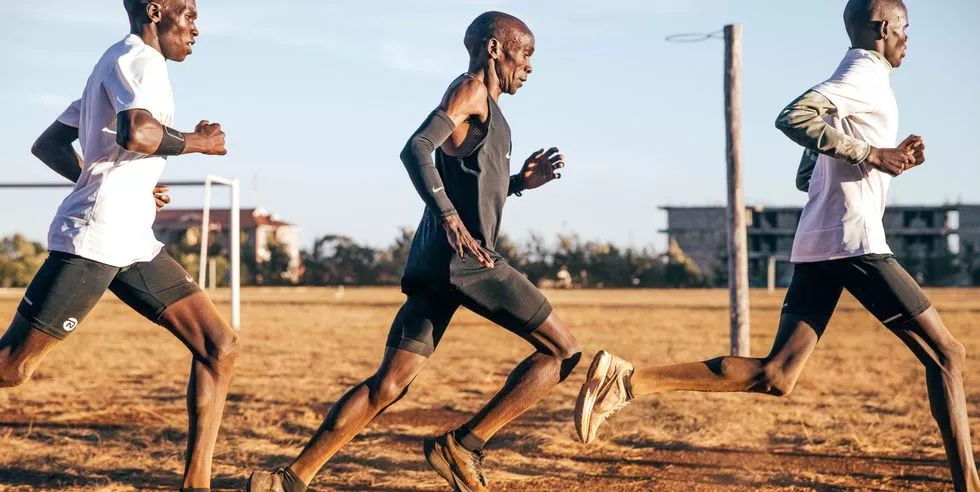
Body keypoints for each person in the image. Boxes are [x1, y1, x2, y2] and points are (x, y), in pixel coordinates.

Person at [575, 1, 980, 490]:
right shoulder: (865, 71)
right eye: (905, 29)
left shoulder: (855, 78)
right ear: (882, 27)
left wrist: (881, 158)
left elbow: (806, 173)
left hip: (820, 241)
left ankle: (629, 380)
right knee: (948, 356)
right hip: (852, 240)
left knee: (777, 374)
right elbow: (792, 116)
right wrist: (874, 153)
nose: (908, 39)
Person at [247, 11, 581, 492]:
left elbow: (473, 187)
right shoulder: (471, 91)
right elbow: (416, 148)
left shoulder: (487, 109)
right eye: (524, 52)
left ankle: (288, 479)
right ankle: (463, 446)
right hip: (468, 260)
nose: (530, 66)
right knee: (564, 352)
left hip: (435, 263)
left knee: (389, 383)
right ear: (494, 48)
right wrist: (449, 218)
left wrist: (520, 185)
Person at [0, 1, 239, 490]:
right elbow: (139, 132)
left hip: (131, 238)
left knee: (219, 346)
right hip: (96, 237)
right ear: (155, 11)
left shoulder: (113, 63)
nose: (196, 26)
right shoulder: (139, 60)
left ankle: (197, 485)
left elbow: (49, 144)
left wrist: (118, 181)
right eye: (188, 12)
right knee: (11, 367)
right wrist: (198, 142)